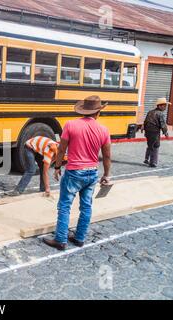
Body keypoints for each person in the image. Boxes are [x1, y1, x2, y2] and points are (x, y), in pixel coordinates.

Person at [43, 95, 112, 250]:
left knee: (65, 206)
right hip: (92, 173)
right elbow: (107, 156)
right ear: (98, 112)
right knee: (86, 206)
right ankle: (79, 238)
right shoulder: (104, 130)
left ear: (83, 111)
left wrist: (57, 167)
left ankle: (60, 240)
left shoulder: (70, 125)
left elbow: (61, 149)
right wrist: (106, 175)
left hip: (74, 172)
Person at [142, 98, 169, 168]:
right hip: (155, 132)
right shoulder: (161, 114)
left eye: (165, 106)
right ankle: (153, 162)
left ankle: (146, 159)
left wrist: (143, 129)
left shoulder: (150, 112)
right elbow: (163, 124)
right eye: (164, 106)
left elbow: (145, 121)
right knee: (156, 146)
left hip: (148, 132)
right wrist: (165, 132)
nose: (165, 107)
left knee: (150, 145)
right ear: (159, 106)